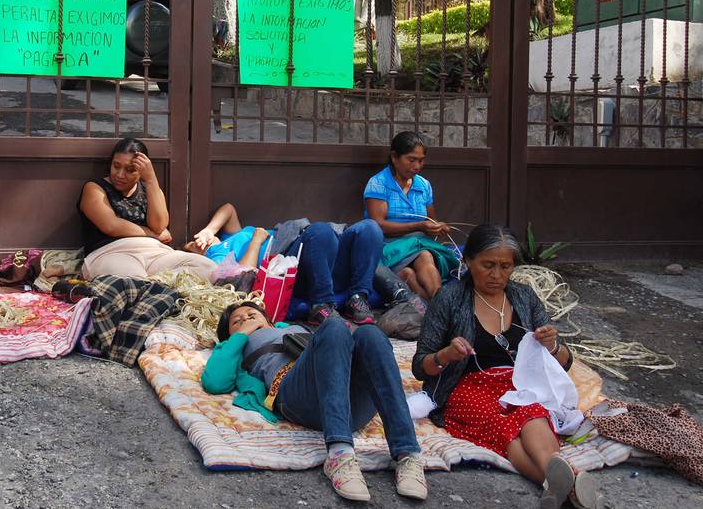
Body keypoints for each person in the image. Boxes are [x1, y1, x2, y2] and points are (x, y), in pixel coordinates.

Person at [411, 224, 600, 509]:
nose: (496, 275)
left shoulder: (523, 297)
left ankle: (559, 487)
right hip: (468, 388)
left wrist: (552, 345)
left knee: (532, 413)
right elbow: (420, 366)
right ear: (468, 260)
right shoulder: (448, 299)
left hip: (519, 383)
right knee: (501, 425)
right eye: (487, 265)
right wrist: (446, 355)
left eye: (505, 266)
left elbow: (565, 362)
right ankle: (572, 486)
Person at [202, 301, 427, 503]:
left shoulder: (291, 328)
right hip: (299, 396)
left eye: (252, 315)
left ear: (268, 318)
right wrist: (241, 335)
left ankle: (407, 453)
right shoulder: (235, 347)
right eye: (237, 322)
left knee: (370, 334)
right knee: (334, 326)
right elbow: (215, 381)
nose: (246, 320)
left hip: (350, 404)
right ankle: (340, 454)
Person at [187, 203, 404, 326]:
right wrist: (256, 241)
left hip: (323, 260)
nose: (197, 242)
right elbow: (245, 273)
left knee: (369, 228)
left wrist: (209, 230)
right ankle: (322, 305)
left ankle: (358, 298)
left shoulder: (231, 236)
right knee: (320, 231)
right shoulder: (216, 258)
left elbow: (229, 208)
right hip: (291, 273)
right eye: (193, 245)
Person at [78, 137, 215, 280]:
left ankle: (156, 284)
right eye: (116, 166)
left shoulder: (150, 189)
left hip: (155, 253)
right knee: (131, 281)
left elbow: (159, 226)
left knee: (208, 268)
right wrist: (153, 234)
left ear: (141, 172)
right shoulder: (95, 188)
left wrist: (150, 179)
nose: (120, 174)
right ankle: (152, 286)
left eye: (130, 170)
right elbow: (111, 226)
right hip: (112, 253)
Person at [364, 131, 458, 300]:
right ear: (394, 157)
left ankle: (435, 302)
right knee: (413, 267)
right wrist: (418, 226)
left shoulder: (423, 185)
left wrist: (437, 227)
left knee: (424, 257)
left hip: (419, 244)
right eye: (411, 159)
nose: (417, 166)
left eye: (421, 160)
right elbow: (378, 225)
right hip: (387, 246)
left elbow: (431, 220)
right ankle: (437, 304)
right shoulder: (378, 183)